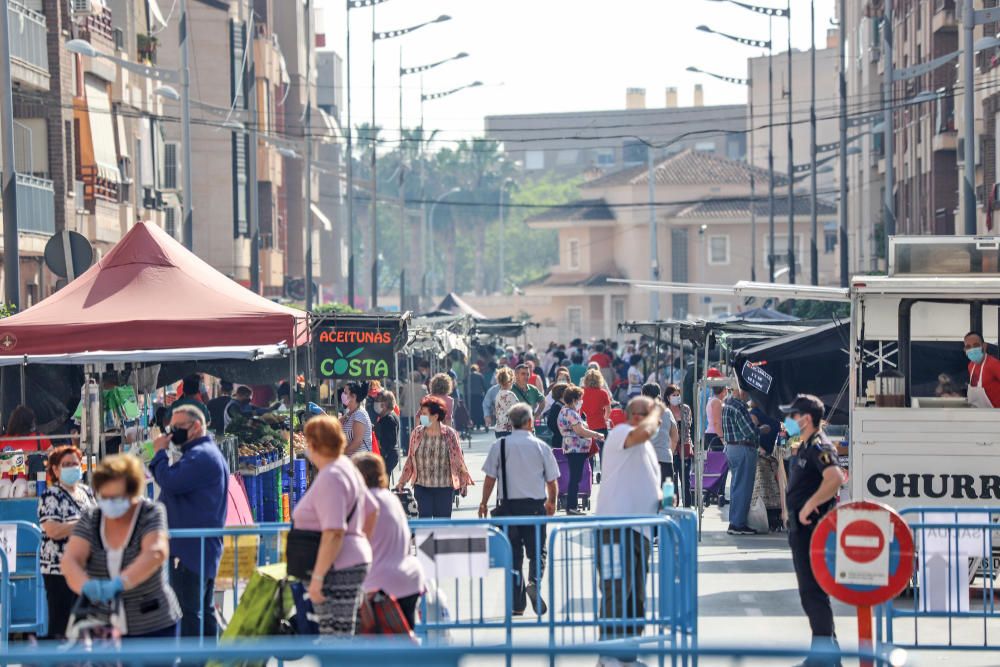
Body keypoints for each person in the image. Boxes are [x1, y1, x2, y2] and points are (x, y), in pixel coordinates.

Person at [61, 454, 182, 638]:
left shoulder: (151, 513)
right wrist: (85, 585)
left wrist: (122, 582)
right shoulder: (91, 518)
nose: (110, 503)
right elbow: (71, 559)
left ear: (132, 493)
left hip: (153, 624)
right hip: (104, 627)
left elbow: (156, 552)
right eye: (105, 497)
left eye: (116, 497)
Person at [292, 415, 377, 636]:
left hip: (337, 567)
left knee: (335, 634)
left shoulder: (332, 476)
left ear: (314, 444)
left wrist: (318, 578)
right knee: (343, 632)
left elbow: (334, 531)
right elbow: (372, 510)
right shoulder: (346, 468)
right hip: (349, 561)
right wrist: (359, 541)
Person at [149, 404, 229, 639]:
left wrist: (159, 453)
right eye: (170, 428)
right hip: (196, 546)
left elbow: (170, 481)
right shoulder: (200, 454)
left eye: (177, 428)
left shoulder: (202, 456)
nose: (172, 434)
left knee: (188, 613)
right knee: (200, 610)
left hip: (191, 549)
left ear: (195, 427)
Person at [594, 396, 663, 664]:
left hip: (638, 531)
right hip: (616, 529)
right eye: (646, 414)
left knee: (636, 597)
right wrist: (657, 411)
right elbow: (645, 430)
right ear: (635, 415)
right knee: (616, 590)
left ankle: (627, 654)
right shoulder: (621, 433)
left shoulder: (643, 445)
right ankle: (610, 654)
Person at [782, 395, 847, 666]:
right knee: (810, 593)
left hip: (812, 529)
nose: (789, 421)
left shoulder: (819, 445)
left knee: (813, 593)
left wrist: (810, 504)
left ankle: (823, 655)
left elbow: (835, 477)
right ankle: (827, 651)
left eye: (793, 416)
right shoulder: (805, 444)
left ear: (806, 419)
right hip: (800, 529)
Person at [478, 403, 559, 616]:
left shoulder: (499, 446)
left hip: (508, 509)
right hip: (534, 507)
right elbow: (552, 481)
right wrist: (552, 502)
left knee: (513, 556)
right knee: (538, 552)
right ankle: (534, 581)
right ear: (530, 422)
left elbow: (490, 478)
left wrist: (484, 502)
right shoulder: (541, 447)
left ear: (510, 423)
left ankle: (517, 603)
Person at [355, 453, 424, 630]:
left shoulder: (364, 501)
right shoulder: (390, 498)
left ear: (362, 476)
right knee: (403, 644)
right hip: (409, 579)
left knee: (377, 648)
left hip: (380, 586)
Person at [37, 445, 96, 639]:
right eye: (66, 464)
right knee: (61, 625)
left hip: (86, 568)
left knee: (84, 624)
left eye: (75, 463)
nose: (73, 468)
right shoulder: (51, 495)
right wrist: (83, 523)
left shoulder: (86, 493)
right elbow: (53, 530)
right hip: (59, 569)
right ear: (55, 469)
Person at [397, 396, 474, 518]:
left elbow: (458, 458)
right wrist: (402, 481)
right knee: (425, 523)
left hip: (444, 487)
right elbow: (410, 459)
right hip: (422, 486)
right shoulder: (417, 433)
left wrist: (463, 481)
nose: (421, 417)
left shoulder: (449, 434)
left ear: (435, 416)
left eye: (424, 414)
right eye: (421, 413)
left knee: (442, 525)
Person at [722, 382, 768, 536]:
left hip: (732, 448)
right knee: (743, 487)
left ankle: (735, 521)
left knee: (736, 486)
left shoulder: (727, 404)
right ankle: (738, 524)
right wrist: (762, 429)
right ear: (742, 392)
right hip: (743, 448)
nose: (749, 397)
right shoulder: (739, 406)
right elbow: (749, 432)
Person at [557, 386, 605, 515]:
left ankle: (571, 506)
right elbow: (580, 431)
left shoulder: (564, 411)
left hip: (573, 448)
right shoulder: (570, 413)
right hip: (575, 449)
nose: (581, 401)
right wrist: (597, 434)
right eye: (579, 399)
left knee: (575, 477)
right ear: (573, 399)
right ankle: (572, 507)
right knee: (575, 478)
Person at [641, 383, 678, 487]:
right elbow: (675, 437)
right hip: (665, 458)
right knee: (666, 498)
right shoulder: (667, 412)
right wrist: (670, 451)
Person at [665, 384, 694, 508]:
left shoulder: (686, 409)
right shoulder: (665, 411)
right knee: (673, 478)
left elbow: (689, 426)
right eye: (674, 395)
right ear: (668, 397)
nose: (676, 397)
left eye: (678, 395)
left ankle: (687, 506)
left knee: (686, 479)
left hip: (685, 447)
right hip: (671, 448)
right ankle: (674, 506)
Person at [964, 331, 1000, 407]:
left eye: (976, 345)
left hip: (996, 414)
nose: (972, 349)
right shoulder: (971, 366)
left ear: (984, 346)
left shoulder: (994, 364)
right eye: (968, 347)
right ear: (965, 350)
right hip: (980, 413)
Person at [373, 389, 401, 477]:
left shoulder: (389, 419)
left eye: (378, 401)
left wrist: (383, 454)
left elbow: (389, 441)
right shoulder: (386, 417)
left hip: (387, 455)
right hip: (388, 455)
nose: (375, 403)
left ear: (384, 404)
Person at [398, 371, 428, 452]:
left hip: (407, 412)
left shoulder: (405, 387)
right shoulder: (424, 388)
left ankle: (406, 448)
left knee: (405, 431)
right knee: (425, 429)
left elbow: (401, 400)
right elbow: (427, 401)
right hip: (422, 414)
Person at [342, 381, 373, 455]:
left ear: (353, 396)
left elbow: (357, 442)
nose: (343, 395)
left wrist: (340, 453)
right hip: (351, 462)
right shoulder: (349, 414)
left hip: (360, 462)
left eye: (345, 393)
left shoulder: (359, 414)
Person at [493, 367, 519, 438]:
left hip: (498, 429)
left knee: (502, 449)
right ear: (510, 381)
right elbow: (518, 411)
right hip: (509, 430)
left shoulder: (498, 395)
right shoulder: (511, 395)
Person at [544, 383, 569, 449]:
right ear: (562, 393)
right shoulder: (556, 407)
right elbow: (551, 424)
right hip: (559, 442)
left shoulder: (562, 406)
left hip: (562, 441)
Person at [468, 364, 488, 431]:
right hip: (479, 395)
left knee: (473, 410)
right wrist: (485, 393)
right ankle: (481, 423)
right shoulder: (480, 375)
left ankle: (474, 423)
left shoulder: (469, 376)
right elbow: (484, 386)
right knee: (480, 410)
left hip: (471, 396)